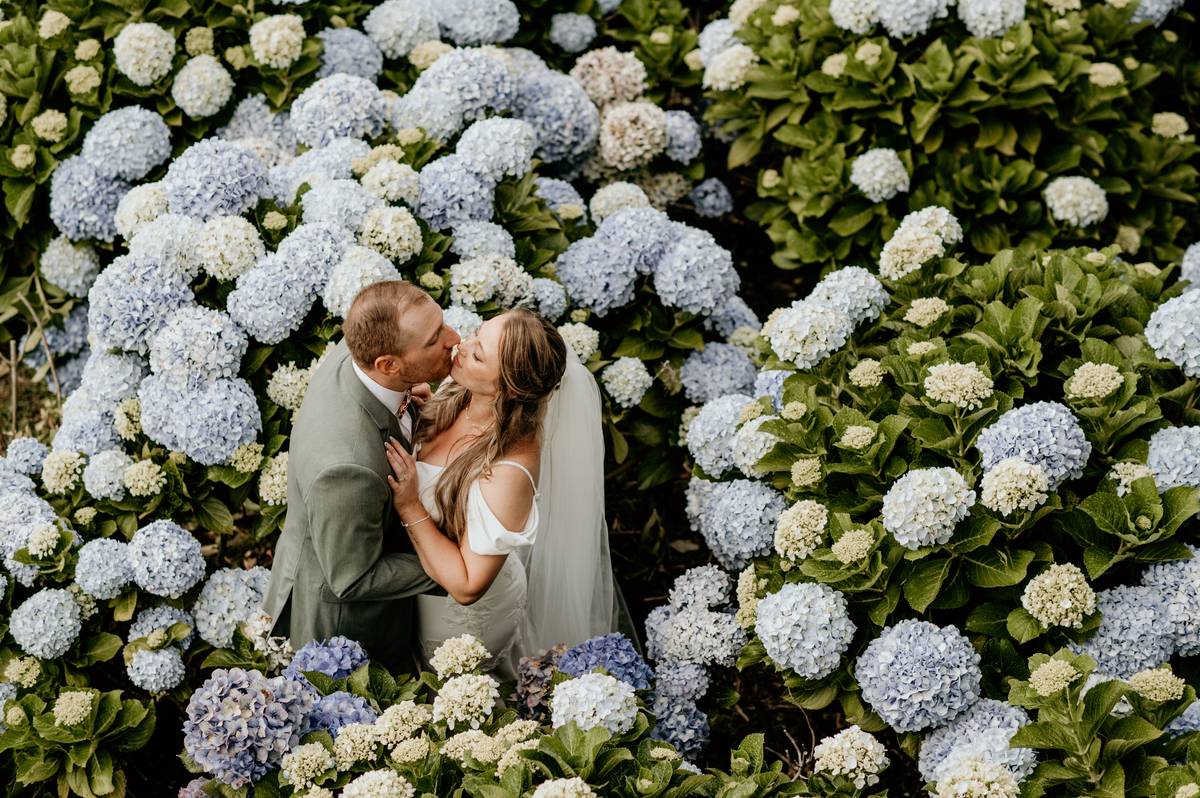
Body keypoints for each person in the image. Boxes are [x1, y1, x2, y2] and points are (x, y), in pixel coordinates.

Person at [386, 307, 615, 679]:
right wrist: (420, 414)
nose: (462, 345)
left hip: (461, 617)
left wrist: (410, 505)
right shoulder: (462, 390)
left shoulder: (509, 471)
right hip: (417, 586)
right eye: (477, 332)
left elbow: (467, 586)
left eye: (478, 354)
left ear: (507, 388)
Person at [261, 281, 460, 674]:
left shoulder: (358, 349)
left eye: (442, 324)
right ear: (388, 365)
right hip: (350, 633)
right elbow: (352, 578)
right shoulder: (347, 468)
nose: (454, 339)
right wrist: (458, 563)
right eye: (434, 338)